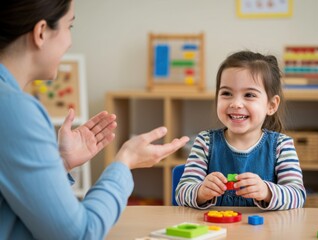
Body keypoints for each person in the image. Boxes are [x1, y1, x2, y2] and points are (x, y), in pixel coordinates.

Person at [0, 0, 189, 239]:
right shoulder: (16, 109)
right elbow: (81, 233)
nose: (70, 41)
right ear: (40, 32)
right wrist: (124, 162)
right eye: (70, 26)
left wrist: (62, 162)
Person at [175, 51, 306, 210]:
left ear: (271, 105)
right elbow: (181, 193)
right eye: (226, 93)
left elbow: (298, 195)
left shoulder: (281, 145)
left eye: (249, 95)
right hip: (215, 231)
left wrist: (267, 192)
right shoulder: (205, 142)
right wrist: (200, 192)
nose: (236, 103)